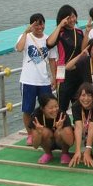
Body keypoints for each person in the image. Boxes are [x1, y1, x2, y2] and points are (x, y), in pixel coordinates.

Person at [15, 13, 58, 145]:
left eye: (41, 24)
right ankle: (30, 134)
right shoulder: (25, 37)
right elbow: (19, 48)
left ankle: (47, 131)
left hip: (44, 81)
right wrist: (25, 32)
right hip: (28, 80)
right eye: (36, 24)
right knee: (28, 109)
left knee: (48, 108)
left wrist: (54, 78)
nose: (39, 27)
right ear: (31, 25)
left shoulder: (48, 40)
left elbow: (52, 60)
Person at [46, 5, 87, 112]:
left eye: (74, 16)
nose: (72, 20)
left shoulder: (79, 32)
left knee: (79, 106)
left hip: (78, 72)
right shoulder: (60, 33)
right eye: (69, 18)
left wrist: (87, 32)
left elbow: (83, 50)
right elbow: (49, 43)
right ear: (63, 19)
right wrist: (60, 25)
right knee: (61, 106)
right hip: (63, 73)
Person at [28, 93, 75, 164]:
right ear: (42, 108)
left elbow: (70, 142)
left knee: (61, 131)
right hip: (48, 142)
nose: (54, 110)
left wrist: (60, 130)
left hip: (61, 142)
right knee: (44, 132)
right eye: (51, 108)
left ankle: (65, 153)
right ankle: (48, 153)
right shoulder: (36, 116)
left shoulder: (62, 115)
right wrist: (39, 133)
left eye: (56, 106)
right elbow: (35, 146)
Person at [69, 82, 93, 167]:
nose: (86, 99)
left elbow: (92, 128)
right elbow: (78, 128)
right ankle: (82, 149)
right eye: (83, 95)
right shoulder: (75, 106)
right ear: (79, 96)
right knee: (75, 128)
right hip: (85, 133)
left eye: (89, 95)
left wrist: (87, 152)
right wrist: (77, 151)